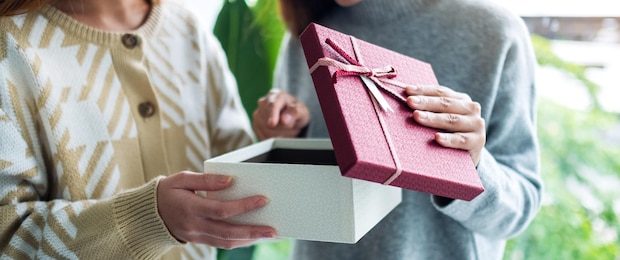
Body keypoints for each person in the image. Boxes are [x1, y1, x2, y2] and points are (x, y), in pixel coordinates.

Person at [252, 0, 543, 259]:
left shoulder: (493, 31)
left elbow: (519, 211)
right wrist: (294, 140)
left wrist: (473, 166)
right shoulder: (308, 36)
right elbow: (305, 199)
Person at [0, 0, 276, 259]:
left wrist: (282, 141)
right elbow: (7, 236)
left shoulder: (188, 30)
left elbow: (237, 180)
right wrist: (145, 220)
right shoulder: (7, 47)